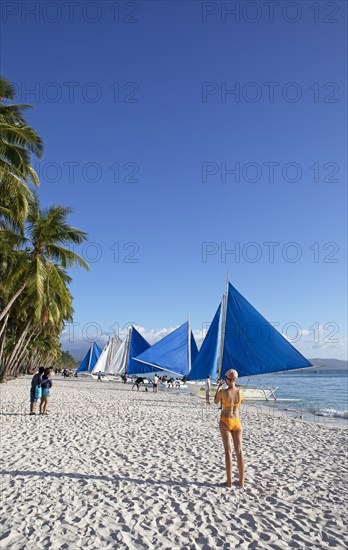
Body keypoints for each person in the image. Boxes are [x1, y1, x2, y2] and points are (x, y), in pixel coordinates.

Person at [214, 369, 244, 488]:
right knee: (239, 452)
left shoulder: (223, 392)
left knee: (228, 451)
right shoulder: (241, 392)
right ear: (236, 379)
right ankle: (241, 481)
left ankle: (229, 482)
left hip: (226, 422)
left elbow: (215, 401)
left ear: (227, 379)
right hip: (237, 422)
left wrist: (218, 387)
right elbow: (242, 401)